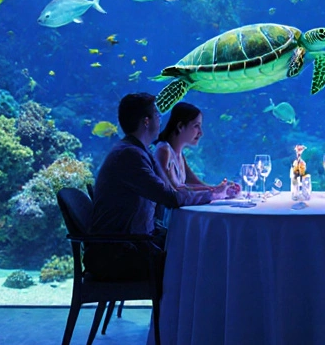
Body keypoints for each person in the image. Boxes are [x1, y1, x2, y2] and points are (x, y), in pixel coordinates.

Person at [87, 93, 238, 280]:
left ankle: (185, 309)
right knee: (196, 259)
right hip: (118, 255)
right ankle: (185, 309)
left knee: (200, 247)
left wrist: (213, 191)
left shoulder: (138, 152)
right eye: (157, 115)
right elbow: (171, 197)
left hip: (131, 245)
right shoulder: (130, 156)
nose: (161, 120)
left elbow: (173, 190)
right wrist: (214, 195)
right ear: (146, 121)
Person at [154, 102, 216, 191]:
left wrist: (219, 189)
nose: (200, 133)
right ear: (180, 126)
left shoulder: (179, 154)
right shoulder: (163, 150)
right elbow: (175, 190)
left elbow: (192, 182)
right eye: (196, 126)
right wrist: (215, 191)